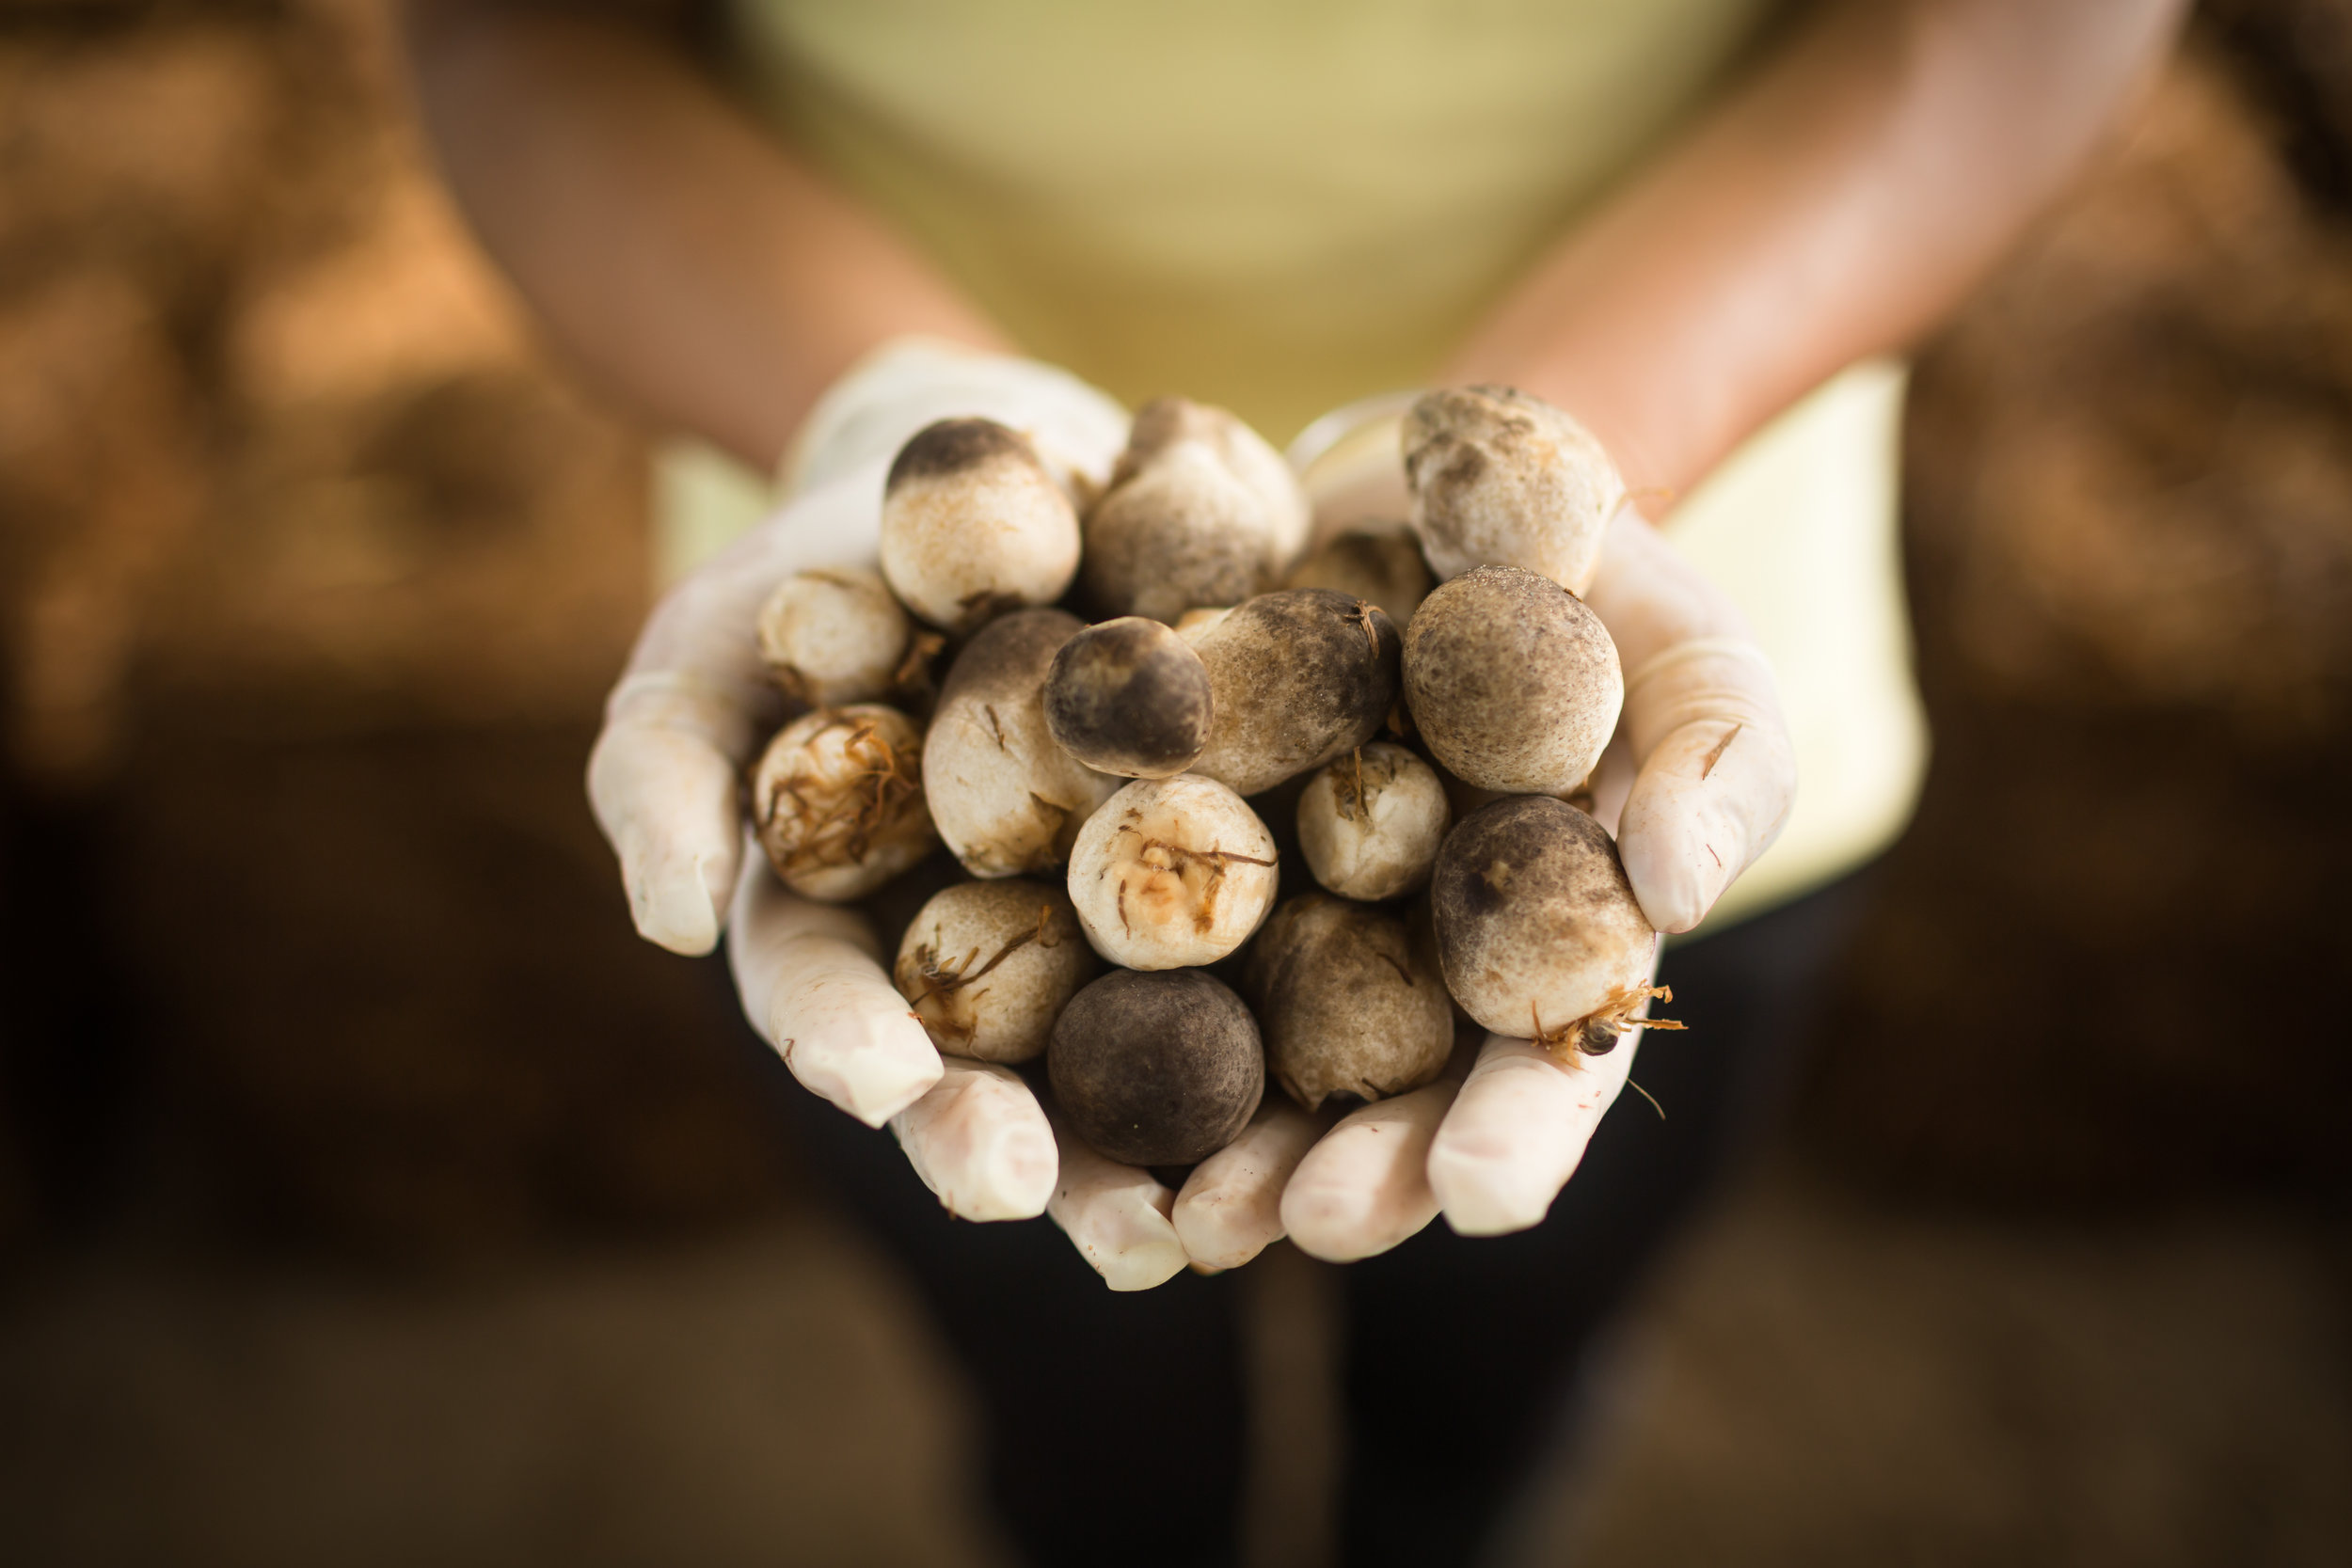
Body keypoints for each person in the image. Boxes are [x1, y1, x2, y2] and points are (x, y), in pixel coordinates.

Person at [401, 2, 2184, 1562]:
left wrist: (1557, 445)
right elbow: (520, 30)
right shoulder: (979, 725)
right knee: (1069, 1388)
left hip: (1657, 682)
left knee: (1506, 1357)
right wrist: (888, 407)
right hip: (845, 528)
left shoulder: (1516, 731)